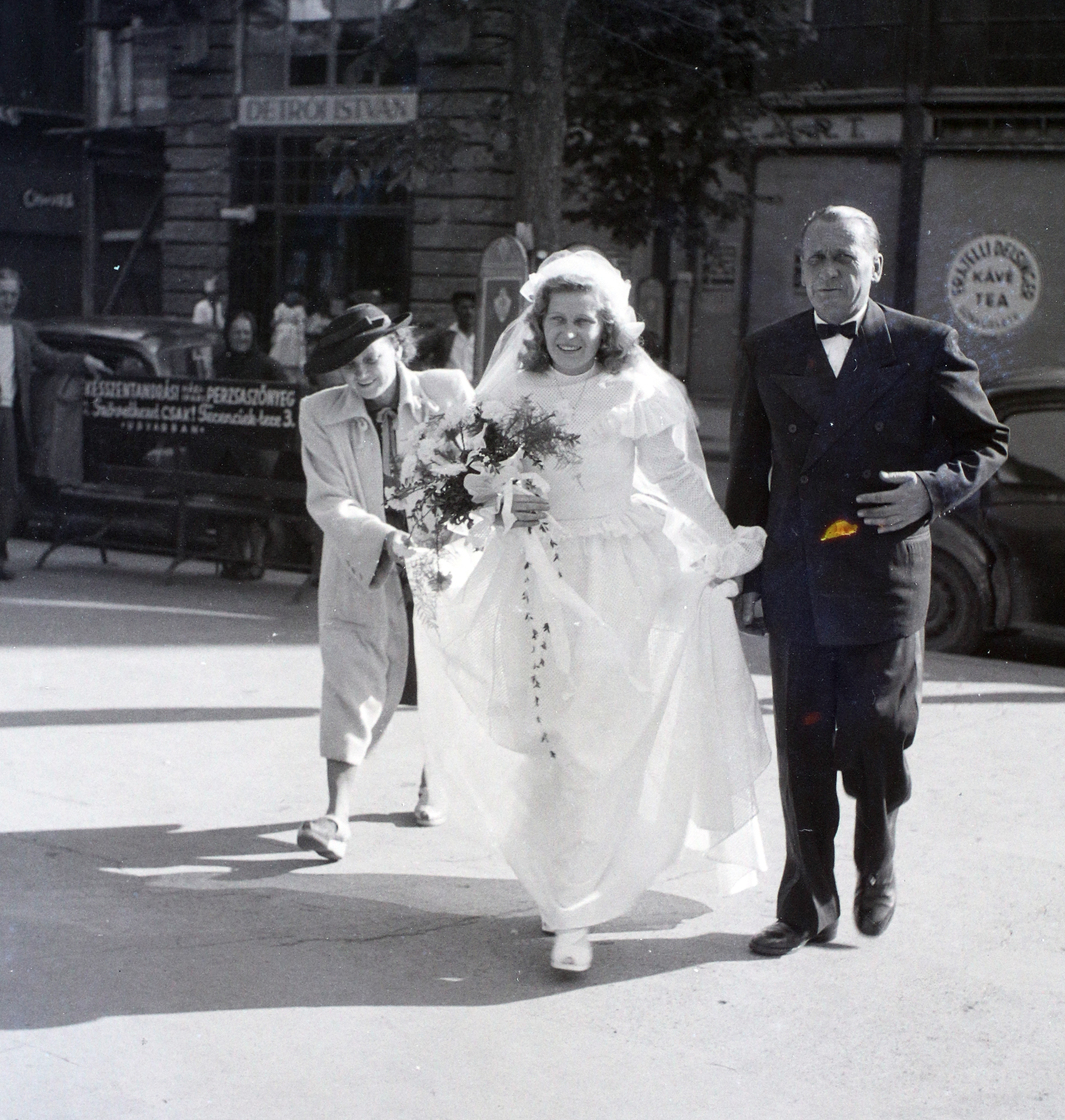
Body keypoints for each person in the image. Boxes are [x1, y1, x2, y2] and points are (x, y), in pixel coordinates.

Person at [414, 249, 770, 974]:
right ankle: (560, 886)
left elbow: (676, 477)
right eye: (558, 320)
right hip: (531, 575)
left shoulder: (636, 389)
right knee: (543, 739)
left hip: (617, 577)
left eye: (584, 320)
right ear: (538, 324)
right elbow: (470, 481)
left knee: (595, 740)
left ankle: (577, 907)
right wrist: (508, 502)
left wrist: (725, 539)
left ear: (607, 325)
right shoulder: (513, 388)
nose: (570, 333)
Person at [726, 206, 1008, 957]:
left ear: (875, 266)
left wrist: (930, 490)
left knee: (877, 736)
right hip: (798, 575)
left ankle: (877, 857)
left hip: (884, 575)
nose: (828, 273)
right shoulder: (768, 349)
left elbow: (987, 441)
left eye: (844, 259)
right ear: (801, 267)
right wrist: (745, 575)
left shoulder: (923, 345)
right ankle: (806, 906)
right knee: (803, 746)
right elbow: (749, 474)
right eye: (815, 258)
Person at [295, 303, 472, 861]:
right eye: (349, 368)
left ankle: (434, 780)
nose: (361, 375)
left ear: (398, 347)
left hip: (442, 557)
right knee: (350, 680)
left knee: (445, 672)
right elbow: (329, 499)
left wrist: (452, 536)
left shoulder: (448, 392)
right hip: (363, 561)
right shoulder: (318, 413)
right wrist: (384, 539)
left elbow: (482, 473)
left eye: (371, 359)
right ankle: (335, 817)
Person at [0, 268, 107, 580]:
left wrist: (82, 361)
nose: (9, 301)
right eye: (3, 294)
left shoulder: (23, 332)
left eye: (14, 295)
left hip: (8, 420)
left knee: (5, 492)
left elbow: (48, 358)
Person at [212, 312, 285, 581]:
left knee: (255, 506)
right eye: (236, 332)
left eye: (246, 333)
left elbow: (285, 398)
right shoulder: (220, 362)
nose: (241, 338)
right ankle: (230, 560)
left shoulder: (267, 365)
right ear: (228, 335)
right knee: (227, 505)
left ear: (253, 336)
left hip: (257, 450)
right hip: (227, 447)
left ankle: (255, 561)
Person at [269, 291, 309, 382]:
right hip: (282, 333)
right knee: (278, 356)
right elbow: (275, 320)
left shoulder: (299, 309)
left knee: (292, 359)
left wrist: (301, 338)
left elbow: (301, 324)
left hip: (291, 335)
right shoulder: (281, 307)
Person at [446, 290, 476, 382]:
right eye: (464, 308)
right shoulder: (446, 336)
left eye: (472, 307)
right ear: (456, 310)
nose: (469, 312)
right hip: (452, 386)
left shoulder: (481, 338)